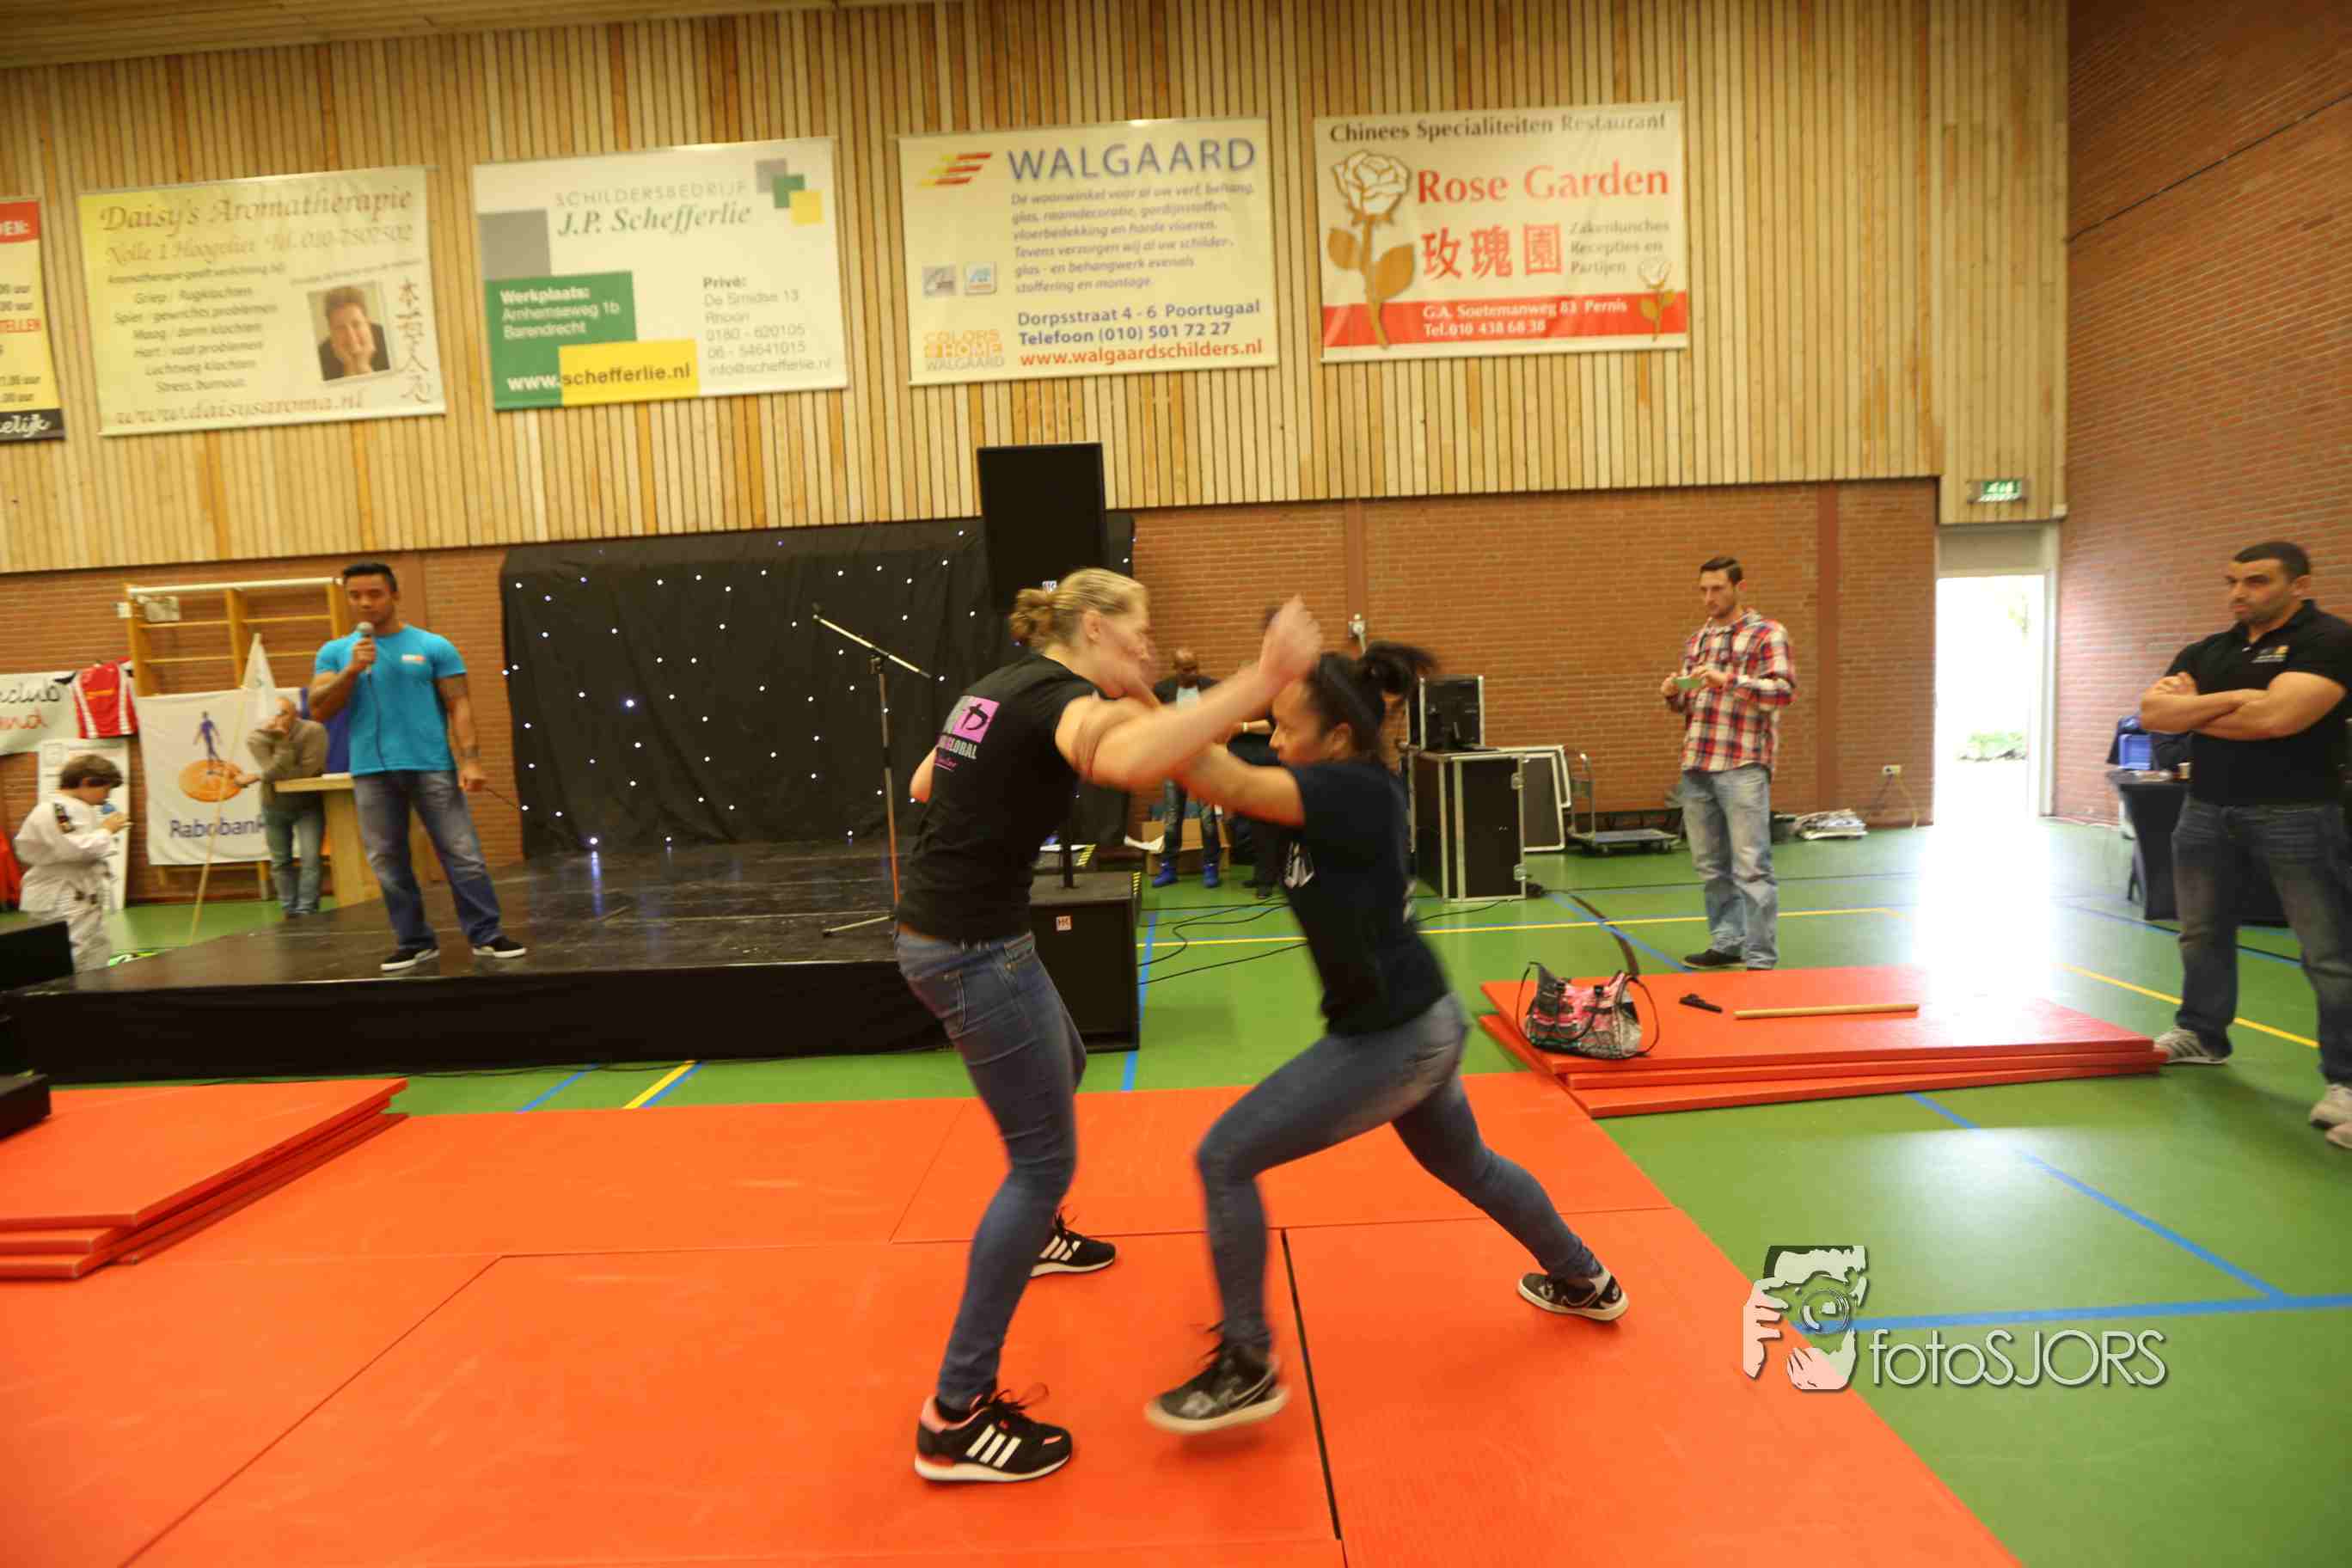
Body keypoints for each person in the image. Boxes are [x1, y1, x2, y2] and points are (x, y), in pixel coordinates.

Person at [897, 571, 1322, 1484]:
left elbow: (929, 780)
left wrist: (1148, 701)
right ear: (1094, 627)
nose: (1151, 645)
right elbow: (1127, 767)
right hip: (971, 951)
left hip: (962, 936)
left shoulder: (999, 686)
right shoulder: (1057, 702)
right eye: (1141, 631)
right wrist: (1261, 678)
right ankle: (954, 1416)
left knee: (1070, 1058)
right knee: (1040, 1164)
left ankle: (1039, 1233)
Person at [1142, 642, 1625, 1434]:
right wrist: (1155, 702)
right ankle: (1584, 1279)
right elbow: (1204, 758)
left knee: (1224, 1157)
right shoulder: (1308, 775)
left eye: (1287, 727)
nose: (1274, 737)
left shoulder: (1358, 792)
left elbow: (1213, 772)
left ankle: (1247, 1364)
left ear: (1337, 738)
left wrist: (1144, 693)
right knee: (1470, 1165)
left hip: (1395, 1037)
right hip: (1420, 1019)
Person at [2136, 541, 2352, 1151]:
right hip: (2207, 810)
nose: (2239, 593)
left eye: (2256, 581)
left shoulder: (2328, 641)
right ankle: (2203, 1034)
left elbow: (2276, 720)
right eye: (2232, 581)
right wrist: (2238, 699)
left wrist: (2196, 709)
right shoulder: (2210, 649)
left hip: (2297, 813)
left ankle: (2346, 1079)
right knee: (2200, 933)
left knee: (2329, 952)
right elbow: (2154, 714)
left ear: (2299, 586)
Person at [309, 561, 525, 971]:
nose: (365, 603)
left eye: (374, 594)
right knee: (387, 859)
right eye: (355, 595)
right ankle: (413, 941)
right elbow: (319, 709)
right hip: (371, 770)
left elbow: (459, 703)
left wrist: (471, 760)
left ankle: (486, 934)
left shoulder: (433, 646)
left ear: (394, 594)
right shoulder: (335, 652)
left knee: (462, 853)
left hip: (431, 766)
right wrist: (352, 670)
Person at [1660, 555, 1796, 970]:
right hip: (1697, 764)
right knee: (1710, 866)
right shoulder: (1698, 639)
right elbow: (1690, 702)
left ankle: (1760, 956)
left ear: (1740, 587)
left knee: (1751, 866)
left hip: (1743, 764)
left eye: (1717, 589)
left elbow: (1782, 692)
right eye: (1703, 590)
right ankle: (1726, 941)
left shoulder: (1767, 633)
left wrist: (1729, 681)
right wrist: (1673, 693)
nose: (1709, 598)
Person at [1149, 647, 1259, 890]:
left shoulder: (1211, 687)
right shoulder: (1162, 690)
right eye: (1186, 670)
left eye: (1195, 668)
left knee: (1208, 819)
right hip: (1175, 763)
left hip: (1205, 762)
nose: (1193, 673)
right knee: (1172, 817)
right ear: (1175, 669)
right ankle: (1169, 868)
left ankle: (1211, 867)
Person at [13, 753, 130, 973]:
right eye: (105, 790)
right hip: (62, 894)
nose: (106, 797)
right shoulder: (56, 810)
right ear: (86, 782)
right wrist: (107, 830)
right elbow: (73, 848)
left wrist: (104, 832)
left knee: (95, 948)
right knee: (72, 951)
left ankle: (94, 991)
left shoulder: (72, 807)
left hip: (79, 889)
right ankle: (66, 993)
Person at [233, 696, 328, 918]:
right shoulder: (256, 738)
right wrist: (282, 742)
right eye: (273, 714)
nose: (277, 719)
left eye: (283, 713)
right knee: (280, 861)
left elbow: (306, 772)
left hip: (309, 804)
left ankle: (307, 911)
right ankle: (289, 910)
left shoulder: (314, 731)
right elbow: (276, 774)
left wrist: (258, 776)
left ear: (296, 714)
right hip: (274, 804)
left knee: (311, 859)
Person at [317, 286, 390, 381]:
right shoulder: (320, 356)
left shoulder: (388, 339)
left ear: (367, 323)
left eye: (356, 324)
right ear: (331, 331)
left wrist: (363, 366)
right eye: (341, 328)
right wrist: (350, 367)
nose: (351, 336)